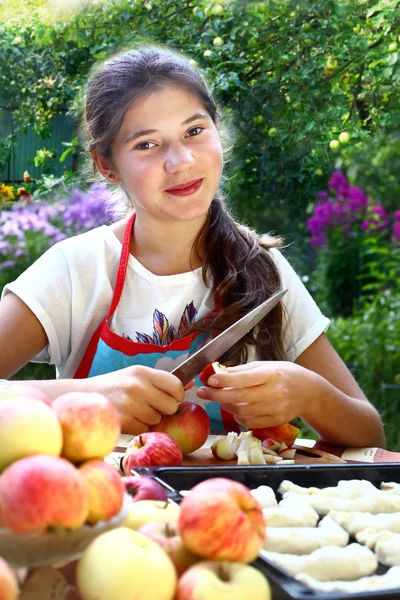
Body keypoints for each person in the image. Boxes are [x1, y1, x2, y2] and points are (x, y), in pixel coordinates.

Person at [0, 45, 385, 448]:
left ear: (217, 129)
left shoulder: (264, 267)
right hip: (105, 508)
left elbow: (369, 435)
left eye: (194, 131)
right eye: (146, 145)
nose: (180, 161)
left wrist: (310, 394)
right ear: (106, 165)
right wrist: (83, 397)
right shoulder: (75, 270)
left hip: (238, 508)